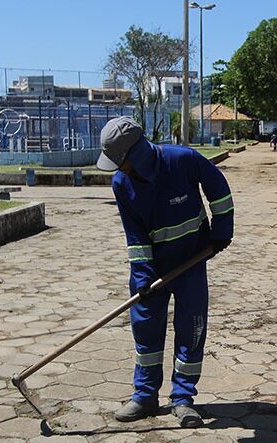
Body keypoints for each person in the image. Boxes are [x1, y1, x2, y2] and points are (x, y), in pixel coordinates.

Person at [96, 117, 234, 427]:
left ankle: (183, 398)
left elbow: (219, 190)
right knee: (145, 329)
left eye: (122, 162)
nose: (120, 169)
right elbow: (135, 236)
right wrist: (144, 277)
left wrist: (221, 231)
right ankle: (144, 396)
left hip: (191, 261)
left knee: (192, 328)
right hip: (151, 268)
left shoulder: (183, 160)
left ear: (137, 155)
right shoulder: (121, 183)